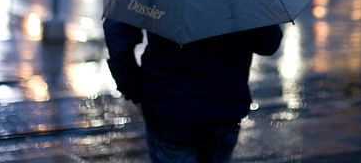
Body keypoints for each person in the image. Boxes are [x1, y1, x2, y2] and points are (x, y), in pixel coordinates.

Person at [103, 19, 283, 163]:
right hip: (225, 106)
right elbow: (268, 44)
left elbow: (117, 31)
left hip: (169, 108)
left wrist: (135, 91)